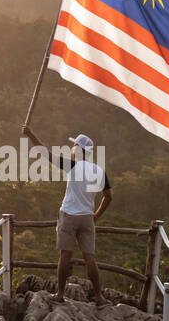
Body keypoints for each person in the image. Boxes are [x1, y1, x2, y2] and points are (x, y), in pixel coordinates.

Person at [22, 125, 112, 306]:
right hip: (87, 217)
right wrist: (95, 216)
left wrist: (31, 134)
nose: (72, 149)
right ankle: (99, 297)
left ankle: (60, 294)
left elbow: (45, 153)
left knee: (65, 255)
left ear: (79, 149)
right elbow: (108, 197)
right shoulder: (99, 171)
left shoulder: (73, 165)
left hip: (69, 215)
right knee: (90, 258)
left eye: (74, 146)